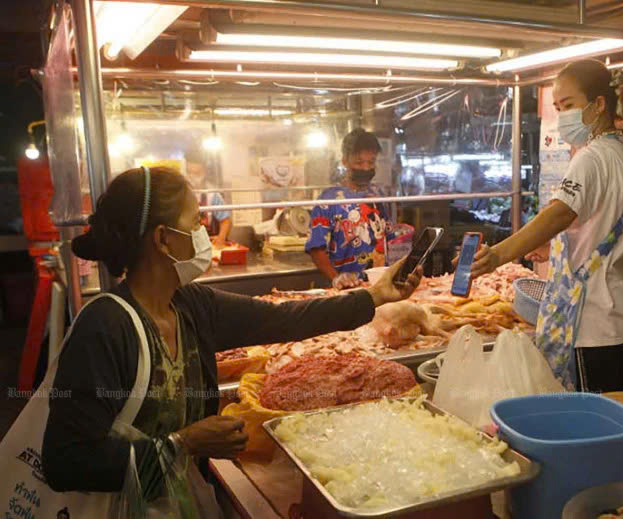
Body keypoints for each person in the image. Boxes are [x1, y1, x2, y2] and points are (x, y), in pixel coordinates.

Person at [41, 166, 422, 506]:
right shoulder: (105, 327)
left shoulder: (189, 305)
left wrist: (374, 296)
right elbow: (67, 462)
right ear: (163, 240)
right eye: (195, 224)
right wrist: (184, 443)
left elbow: (283, 319)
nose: (205, 234)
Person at [469, 59, 623, 393]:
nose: (562, 115)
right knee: (610, 422)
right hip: (617, 317)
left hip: (592, 323)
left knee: (587, 426)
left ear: (598, 105)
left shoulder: (591, 157)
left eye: (569, 105)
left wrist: (498, 255)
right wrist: (554, 245)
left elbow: (559, 214)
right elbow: (598, 220)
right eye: (557, 107)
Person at [306, 128, 394, 289]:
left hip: (379, 285)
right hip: (346, 289)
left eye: (371, 162)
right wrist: (336, 279)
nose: (366, 168)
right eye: (359, 162)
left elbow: (389, 238)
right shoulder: (329, 199)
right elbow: (316, 248)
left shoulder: (379, 195)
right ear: (345, 161)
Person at [186, 153, 232, 246]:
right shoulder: (182, 194)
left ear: (204, 172)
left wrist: (221, 238)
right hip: (187, 243)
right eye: (190, 173)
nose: (193, 176)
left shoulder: (212, 194)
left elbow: (225, 220)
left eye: (196, 173)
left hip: (209, 243)